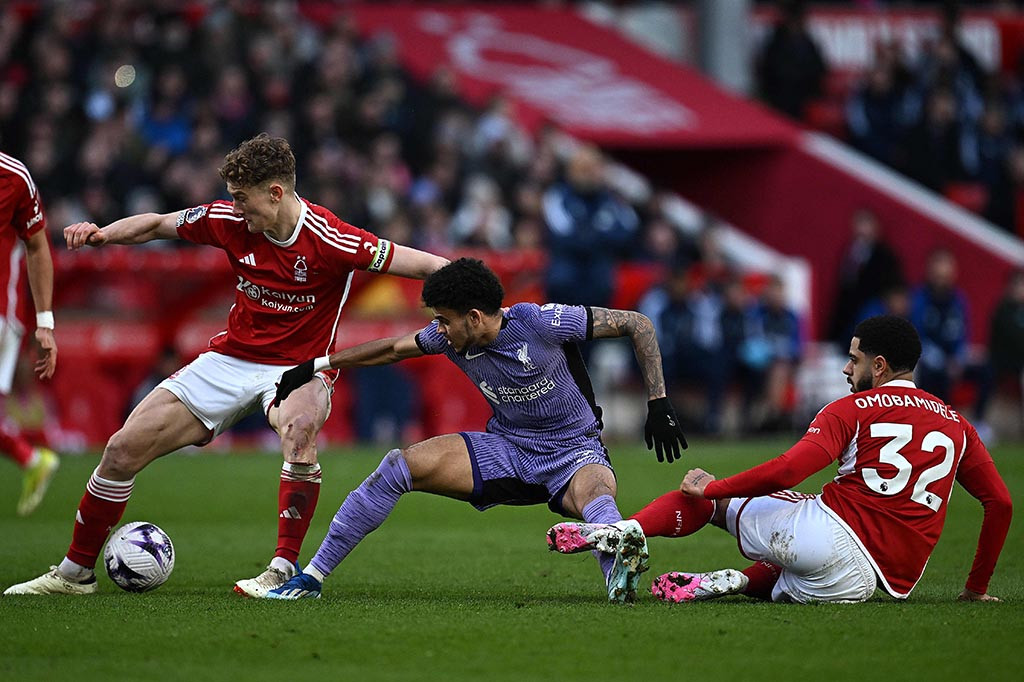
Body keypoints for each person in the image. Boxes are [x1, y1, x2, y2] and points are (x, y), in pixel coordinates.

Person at [4, 134, 448, 596]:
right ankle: (74, 575)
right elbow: (158, 224)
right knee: (120, 450)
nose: (235, 208)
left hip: (300, 366)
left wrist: (468, 279)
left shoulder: (330, 238)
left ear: (275, 193)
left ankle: (280, 572)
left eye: (243, 198)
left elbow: (415, 263)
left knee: (298, 431)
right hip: (230, 358)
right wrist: (101, 233)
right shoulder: (226, 220)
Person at [263, 258, 688, 602]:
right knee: (398, 466)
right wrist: (319, 365)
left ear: (473, 316)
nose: (439, 330)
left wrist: (659, 403)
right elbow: (393, 349)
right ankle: (314, 576)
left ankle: (619, 581)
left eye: (445, 320)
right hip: (507, 448)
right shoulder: (449, 338)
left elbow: (638, 323)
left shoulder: (541, 322)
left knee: (596, 497)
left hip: (575, 451)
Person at [549, 315, 1012, 604]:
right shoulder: (956, 422)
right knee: (796, 558)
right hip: (870, 584)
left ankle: (619, 530)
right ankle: (730, 582)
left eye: (854, 360)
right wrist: (975, 588)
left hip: (829, 536)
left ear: (882, 366)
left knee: (712, 502)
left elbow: (790, 468)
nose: (847, 369)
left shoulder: (850, 409)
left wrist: (715, 488)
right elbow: (1001, 503)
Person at [0, 149, 59, 516]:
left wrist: (45, 322)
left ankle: (30, 457)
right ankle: (30, 457)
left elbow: (38, 246)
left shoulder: (13, 177)